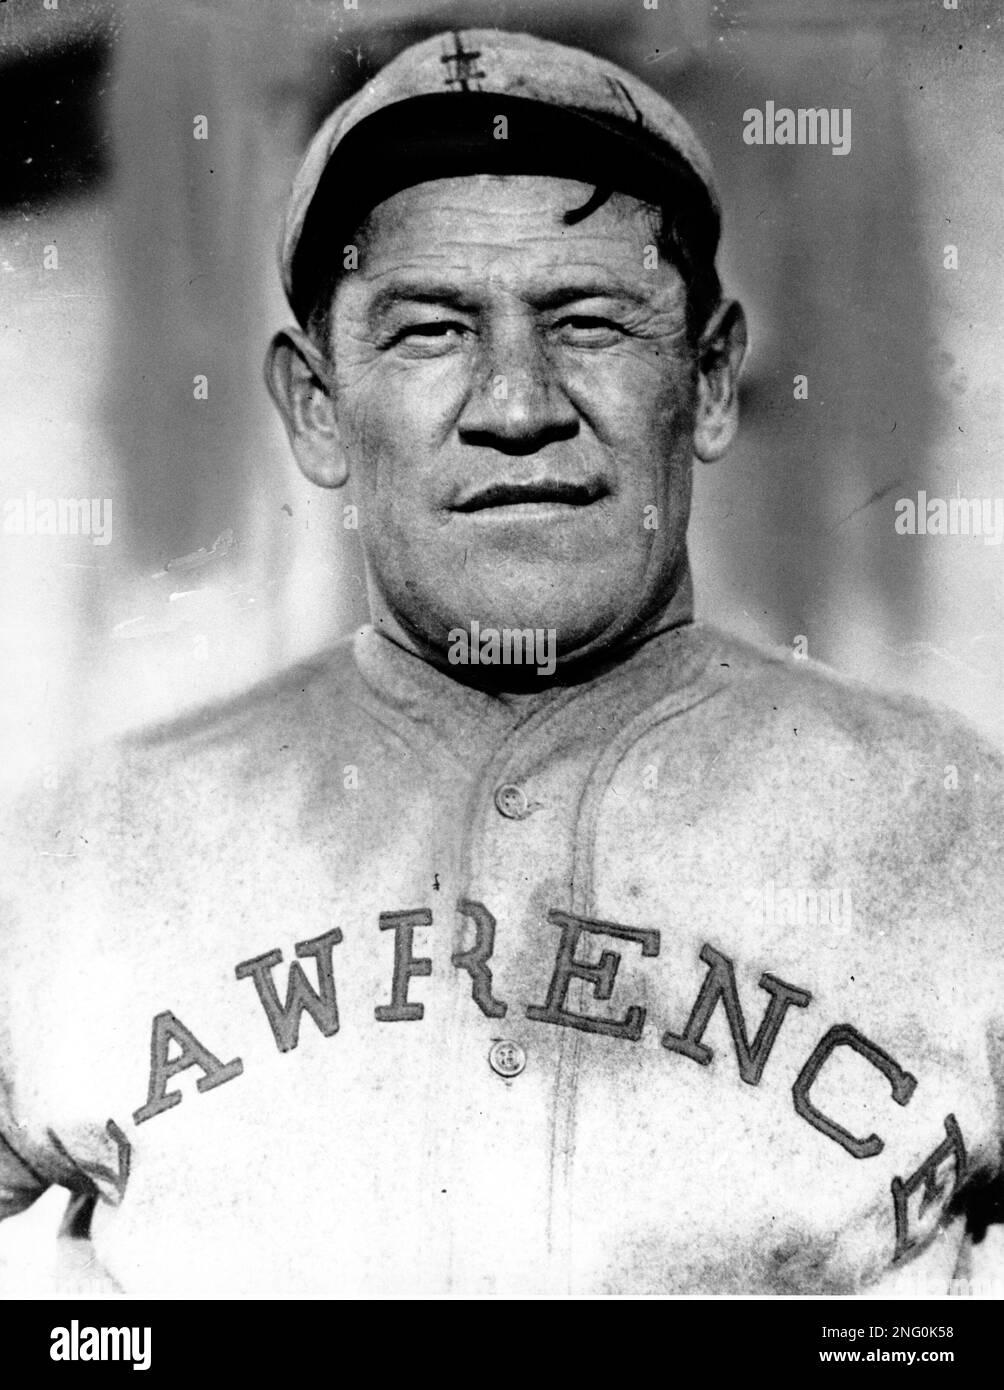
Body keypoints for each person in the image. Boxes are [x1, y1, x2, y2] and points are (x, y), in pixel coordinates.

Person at [1, 27, 1001, 1299]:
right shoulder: (83, 847)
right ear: (317, 406)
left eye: (589, 324)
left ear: (706, 380)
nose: (517, 406)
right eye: (429, 332)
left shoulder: (957, 819)